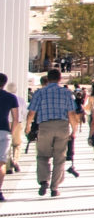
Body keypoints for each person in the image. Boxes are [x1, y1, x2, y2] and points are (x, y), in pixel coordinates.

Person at [27, 69, 79, 197]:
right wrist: (74, 129)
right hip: (62, 126)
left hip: (44, 126)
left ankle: (44, 180)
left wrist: (27, 126)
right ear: (60, 79)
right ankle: (54, 187)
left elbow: (32, 112)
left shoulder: (39, 92)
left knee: (42, 155)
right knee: (59, 157)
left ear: (48, 79)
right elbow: (71, 113)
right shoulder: (66, 93)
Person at [0, 74, 17, 201]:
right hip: (4, 132)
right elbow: (15, 118)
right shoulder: (11, 97)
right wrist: (11, 132)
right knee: (1, 164)